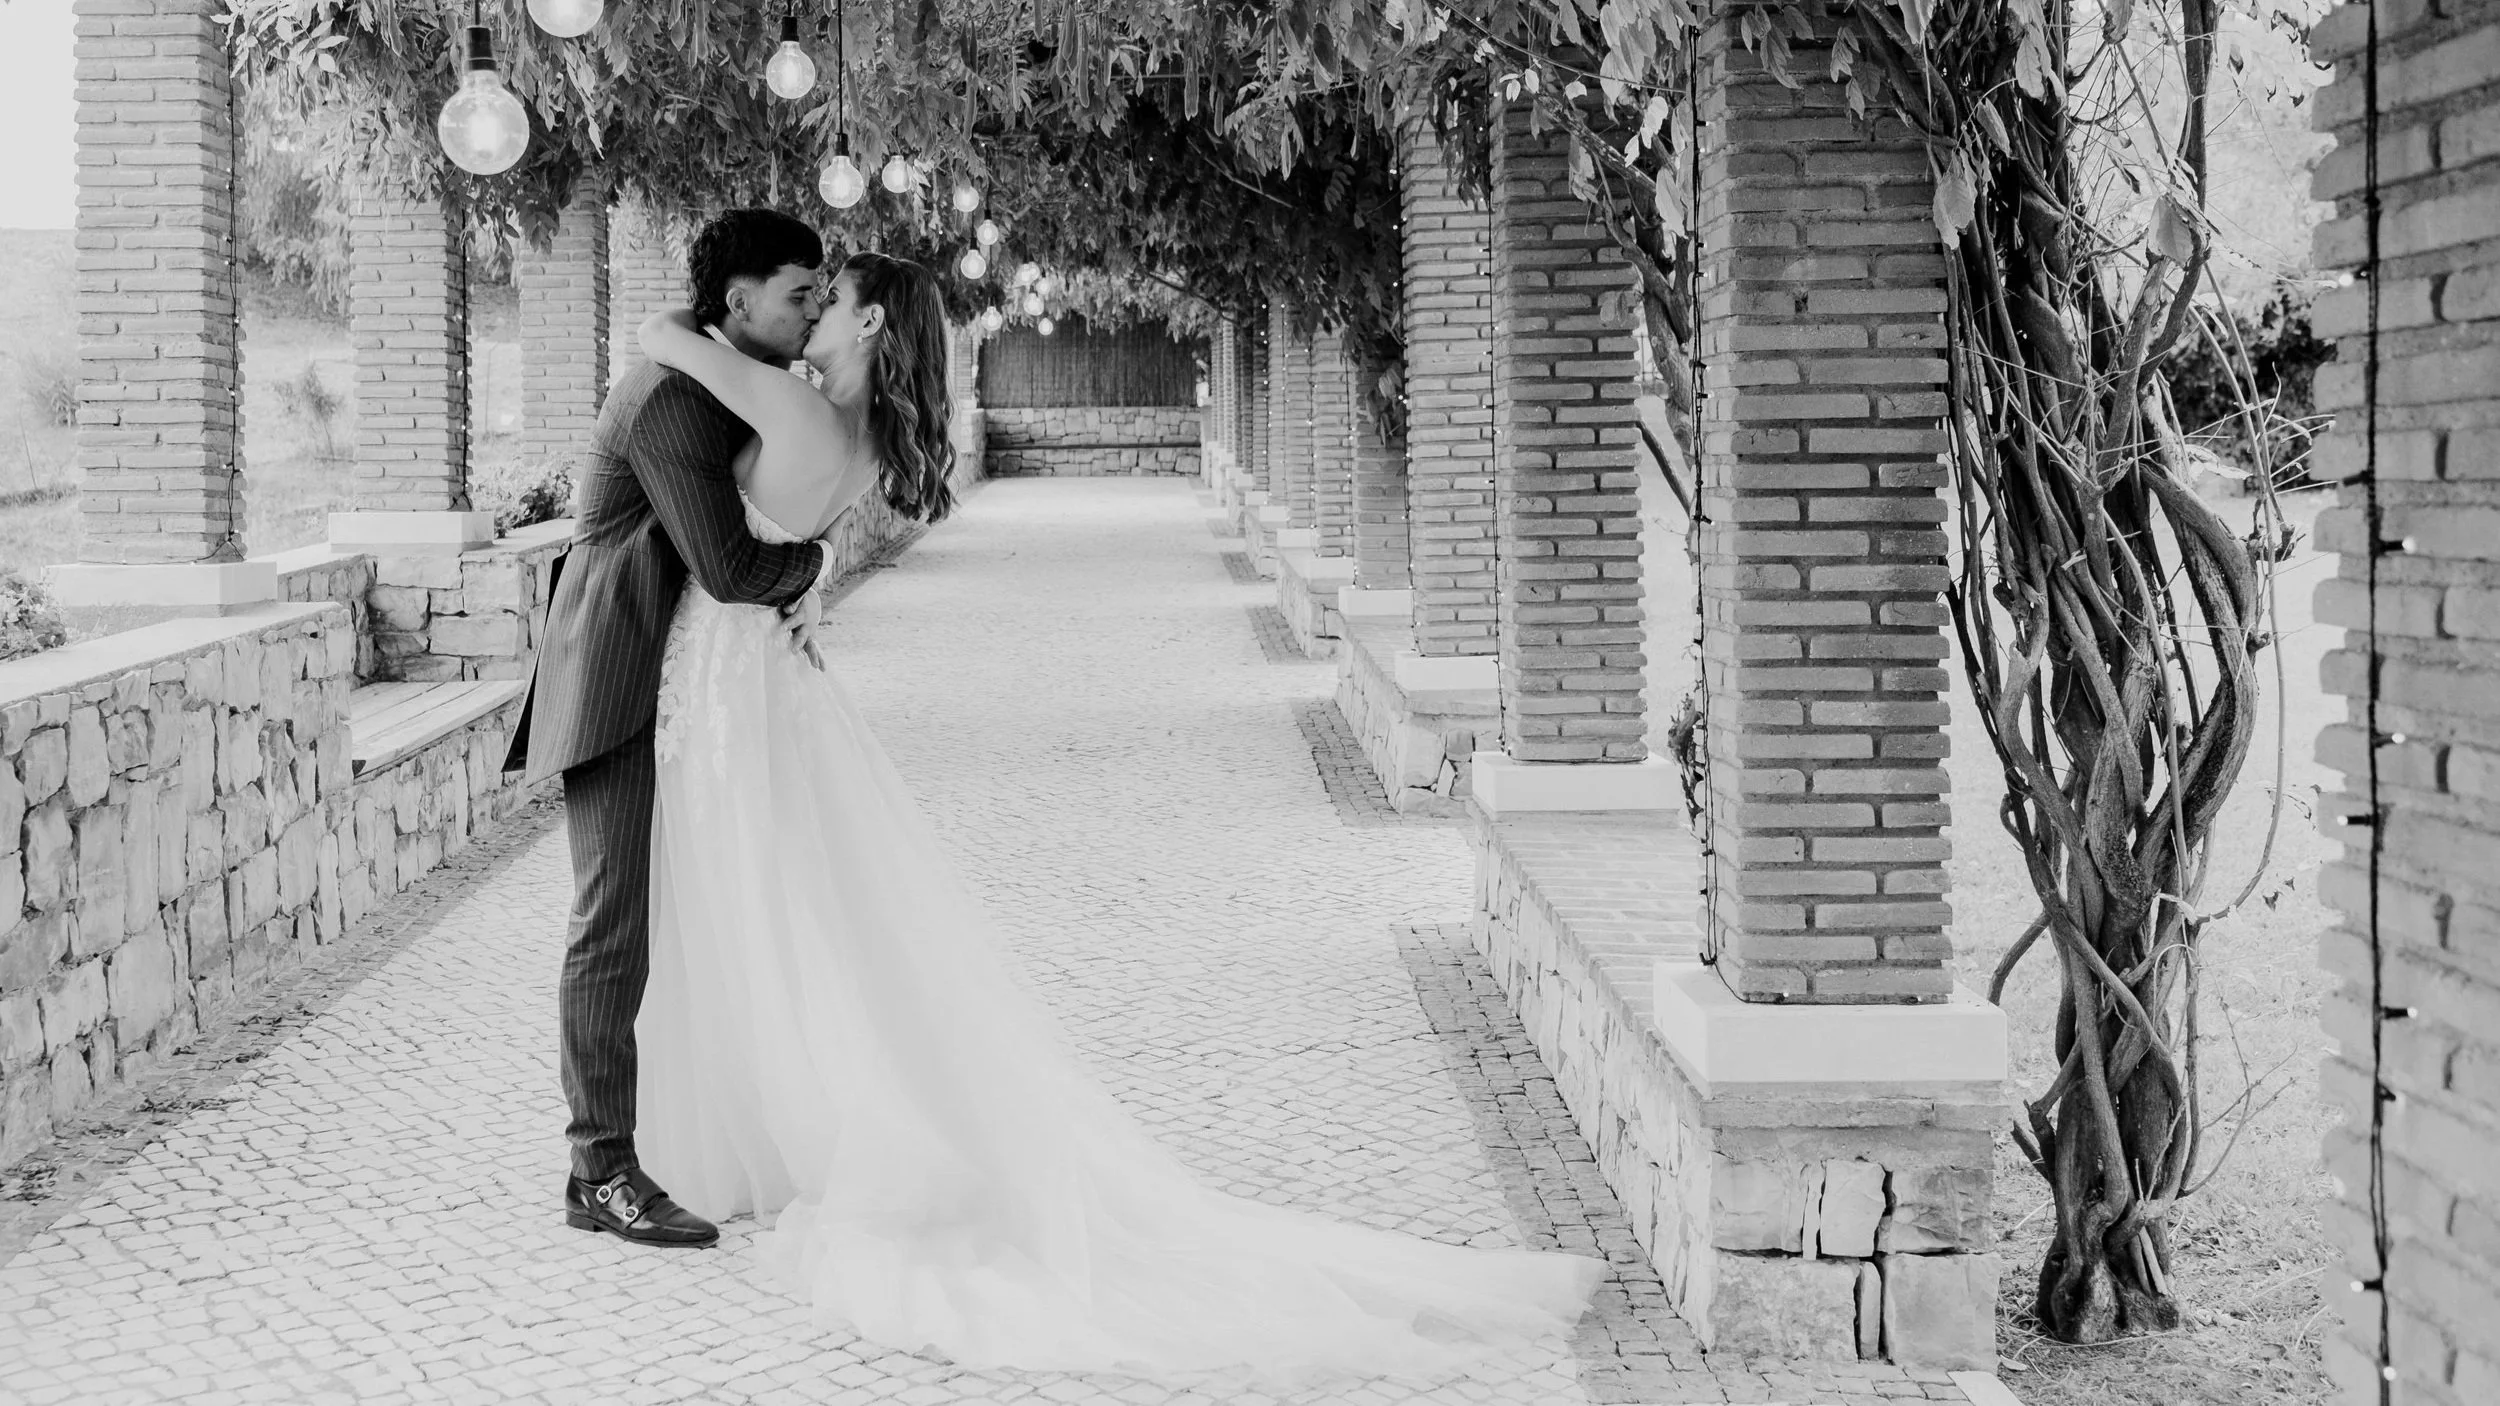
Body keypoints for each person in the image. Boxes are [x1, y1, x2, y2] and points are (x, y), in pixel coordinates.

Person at [622, 239, 1606, 1389]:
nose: (803, 318)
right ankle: (790, 1112)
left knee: (746, 891)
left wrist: (709, 318)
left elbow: (660, 343)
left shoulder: (788, 405)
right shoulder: (857, 442)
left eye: (818, 301)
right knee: (791, 897)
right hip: (774, 679)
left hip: (730, 679)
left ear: (870, 325)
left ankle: (765, 1128)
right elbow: (802, 535)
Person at [506, 209, 845, 1250]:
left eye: (824, 294)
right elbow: (731, 568)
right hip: (613, 680)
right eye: (800, 293)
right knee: (612, 924)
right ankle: (598, 1170)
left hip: (676, 684)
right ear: (736, 302)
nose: (817, 309)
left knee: (665, 918)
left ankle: (674, 1140)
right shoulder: (671, 403)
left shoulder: (714, 383)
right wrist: (817, 573)